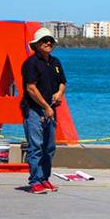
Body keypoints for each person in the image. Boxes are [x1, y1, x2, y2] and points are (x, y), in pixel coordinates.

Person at [21, 28, 67, 194]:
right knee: (36, 147)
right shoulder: (30, 64)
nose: (49, 43)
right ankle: (35, 181)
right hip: (34, 110)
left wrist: (59, 93)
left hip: (51, 111)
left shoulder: (55, 62)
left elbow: (63, 82)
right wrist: (46, 107)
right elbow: (31, 88)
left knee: (49, 147)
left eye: (51, 41)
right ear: (37, 45)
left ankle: (44, 178)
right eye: (45, 40)